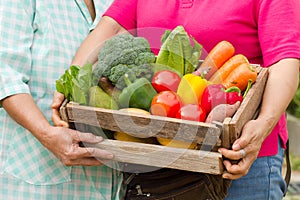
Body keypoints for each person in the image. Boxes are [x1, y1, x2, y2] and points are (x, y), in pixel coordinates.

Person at [52, 0, 300, 199]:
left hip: (237, 160)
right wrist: (72, 80)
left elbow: (285, 59)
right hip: (160, 156)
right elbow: (112, 28)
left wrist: (264, 122)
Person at [0, 0, 126, 199]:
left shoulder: (114, 3)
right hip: (36, 174)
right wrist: (47, 134)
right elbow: (5, 75)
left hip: (104, 178)